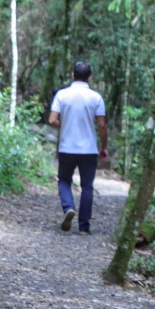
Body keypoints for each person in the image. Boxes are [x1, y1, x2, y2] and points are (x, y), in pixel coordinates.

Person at [48, 62, 108, 235]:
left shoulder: (62, 94)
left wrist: (65, 125)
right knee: (87, 187)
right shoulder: (96, 97)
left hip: (67, 147)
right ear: (90, 78)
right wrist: (104, 147)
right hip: (89, 149)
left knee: (64, 180)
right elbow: (102, 126)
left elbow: (52, 120)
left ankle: (68, 207)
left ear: (73, 76)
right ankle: (84, 227)